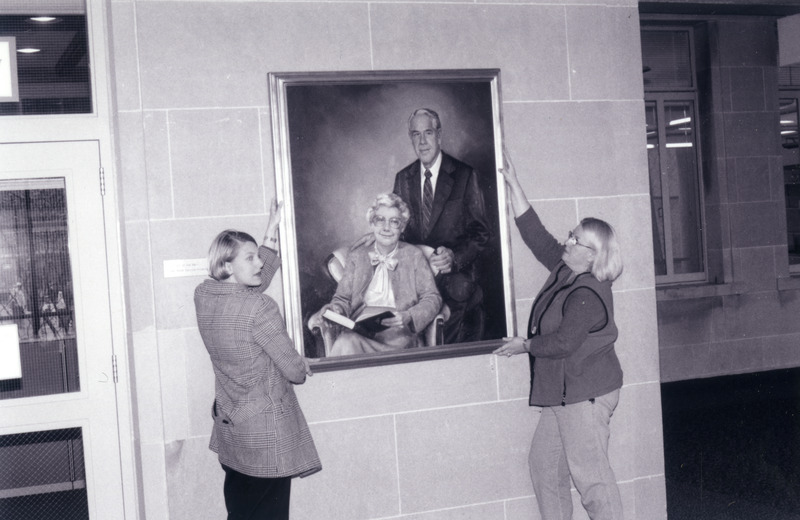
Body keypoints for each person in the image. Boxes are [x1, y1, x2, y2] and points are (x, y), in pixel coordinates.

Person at [493, 151, 624, 520]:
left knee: (593, 482)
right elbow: (537, 237)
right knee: (545, 468)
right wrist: (514, 184)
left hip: (586, 396)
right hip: (564, 395)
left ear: (592, 254)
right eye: (570, 235)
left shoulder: (588, 291)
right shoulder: (567, 269)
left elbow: (564, 342)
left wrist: (525, 346)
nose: (567, 241)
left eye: (575, 239)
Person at [194, 199, 321, 520]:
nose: (258, 265)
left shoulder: (204, 296)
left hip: (233, 431)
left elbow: (246, 291)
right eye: (249, 258)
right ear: (226, 266)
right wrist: (299, 361)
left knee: (240, 514)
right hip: (267, 438)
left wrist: (270, 234)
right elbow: (294, 372)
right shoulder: (259, 308)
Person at [392, 108, 491, 344]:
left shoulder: (465, 175)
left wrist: (454, 258)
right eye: (416, 134)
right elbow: (397, 232)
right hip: (416, 275)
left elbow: (482, 233)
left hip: (454, 275)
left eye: (428, 133)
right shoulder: (402, 178)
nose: (422, 141)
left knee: (458, 297)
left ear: (439, 135)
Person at [310, 193, 442, 356]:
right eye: (380, 220)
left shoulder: (414, 256)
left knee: (347, 343)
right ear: (372, 224)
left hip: (399, 331)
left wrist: (408, 316)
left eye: (394, 222)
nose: (386, 228)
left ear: (402, 227)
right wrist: (335, 310)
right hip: (361, 329)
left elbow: (432, 298)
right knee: (346, 341)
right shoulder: (357, 256)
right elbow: (342, 298)